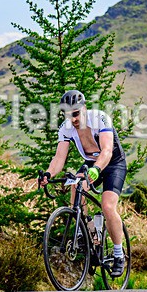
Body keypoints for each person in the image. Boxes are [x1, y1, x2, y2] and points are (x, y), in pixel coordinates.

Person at [38, 90, 128, 277]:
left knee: (107, 206)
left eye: (76, 114)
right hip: (90, 162)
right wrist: (48, 173)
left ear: (84, 108)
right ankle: (86, 232)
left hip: (113, 163)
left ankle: (119, 255)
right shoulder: (66, 128)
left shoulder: (100, 119)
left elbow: (107, 151)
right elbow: (58, 158)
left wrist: (96, 170)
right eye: (69, 115)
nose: (73, 119)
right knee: (74, 184)